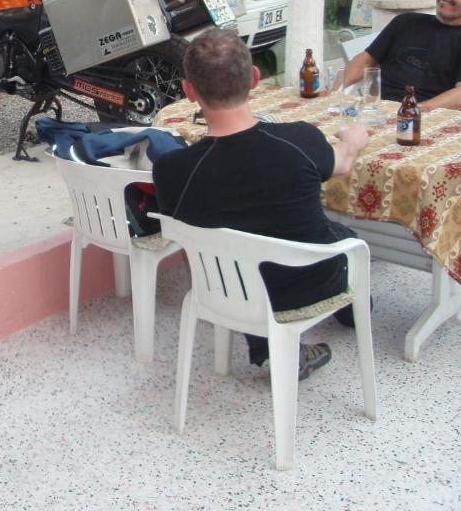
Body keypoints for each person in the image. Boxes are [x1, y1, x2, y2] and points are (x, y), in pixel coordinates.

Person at [153, 29, 370, 379]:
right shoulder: (299, 138)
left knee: (245, 234)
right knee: (346, 234)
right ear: (255, 79)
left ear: (189, 91)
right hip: (306, 285)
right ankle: (354, 313)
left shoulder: (170, 169)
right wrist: (354, 139)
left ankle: (268, 346)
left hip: (225, 287)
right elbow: (343, 163)